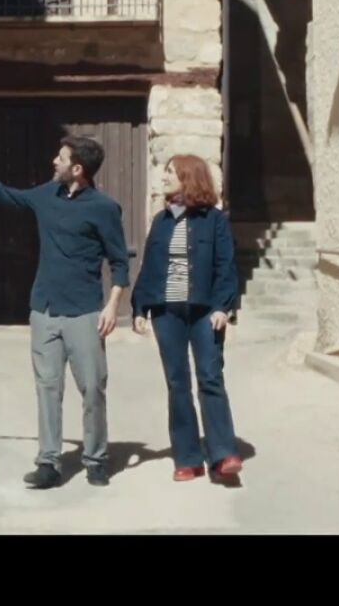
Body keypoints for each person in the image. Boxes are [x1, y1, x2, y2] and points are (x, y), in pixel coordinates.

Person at [0, 136, 130, 488]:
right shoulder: (46, 195)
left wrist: (113, 306)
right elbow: (4, 194)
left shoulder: (104, 208)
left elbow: (119, 262)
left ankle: (96, 459)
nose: (54, 161)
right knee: (47, 388)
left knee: (92, 388)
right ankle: (48, 462)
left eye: (61, 158)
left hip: (84, 311)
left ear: (77, 169)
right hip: (44, 309)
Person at [131, 154, 244, 482]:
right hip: (166, 313)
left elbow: (226, 266)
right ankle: (188, 458)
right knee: (177, 383)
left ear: (189, 178)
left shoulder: (215, 220)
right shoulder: (161, 221)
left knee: (210, 377)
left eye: (171, 172)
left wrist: (223, 306)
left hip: (205, 311)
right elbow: (150, 267)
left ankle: (223, 454)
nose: (164, 177)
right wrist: (140, 308)